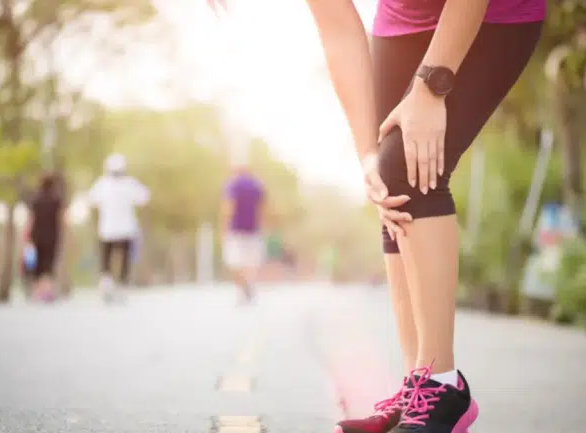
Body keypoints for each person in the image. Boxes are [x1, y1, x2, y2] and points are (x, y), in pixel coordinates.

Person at [210, 0, 543, 432]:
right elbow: (338, 30)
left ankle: (444, 386)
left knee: (408, 165)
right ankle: (418, 388)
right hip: (403, 20)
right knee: (389, 181)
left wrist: (430, 87)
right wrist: (367, 153)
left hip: (495, 13)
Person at [87, 153, 150, 303]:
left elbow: (91, 200)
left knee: (106, 260)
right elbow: (145, 198)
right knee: (124, 259)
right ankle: (121, 285)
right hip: (126, 229)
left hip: (107, 229)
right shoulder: (129, 184)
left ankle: (107, 283)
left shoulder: (102, 184)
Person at [220, 153, 266, 304]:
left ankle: (243, 287)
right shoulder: (257, 185)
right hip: (253, 229)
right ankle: (249, 284)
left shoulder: (232, 184)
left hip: (236, 230)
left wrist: (224, 227)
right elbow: (263, 208)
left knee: (234, 262)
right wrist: (262, 224)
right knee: (251, 262)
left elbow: (229, 207)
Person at [22, 172, 65, 302]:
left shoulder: (35, 199)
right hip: (52, 238)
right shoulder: (56, 199)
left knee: (37, 265)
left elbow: (31, 220)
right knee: (48, 264)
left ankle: (36, 293)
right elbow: (62, 219)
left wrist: (26, 236)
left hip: (36, 237)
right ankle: (47, 292)